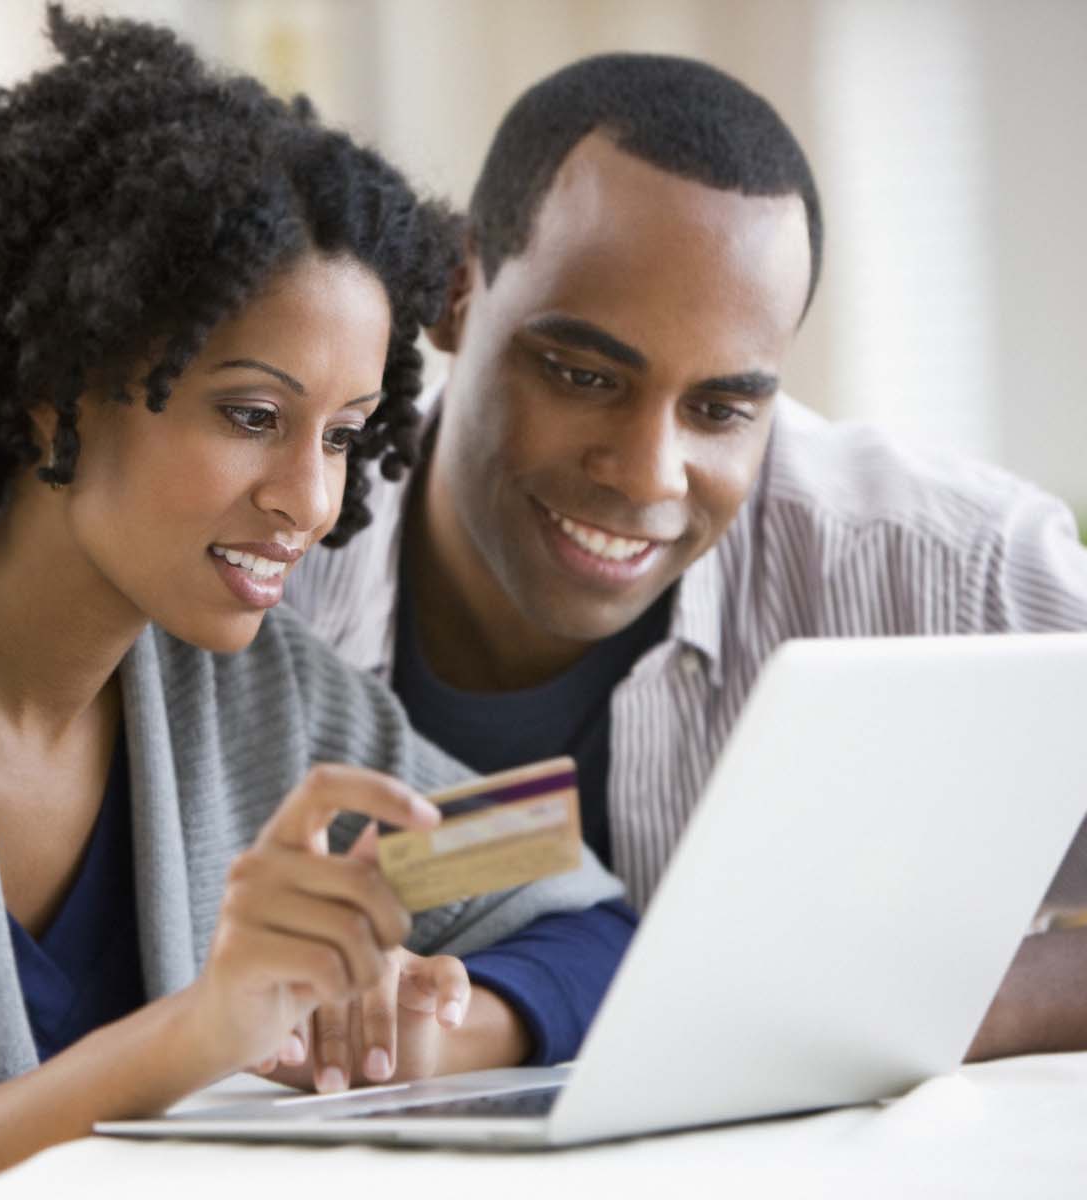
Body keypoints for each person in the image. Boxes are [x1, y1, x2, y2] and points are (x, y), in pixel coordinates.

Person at [0, 11, 630, 1199]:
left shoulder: (257, 690)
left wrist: (431, 1021)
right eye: (254, 418)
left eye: (344, 436)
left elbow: (575, 905)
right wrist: (204, 1030)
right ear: (57, 396)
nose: (311, 502)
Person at [279, 53, 1087, 1058]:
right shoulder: (271, 562)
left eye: (722, 409)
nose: (649, 476)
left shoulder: (946, 567)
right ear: (453, 292)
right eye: (582, 374)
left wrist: (953, 998)